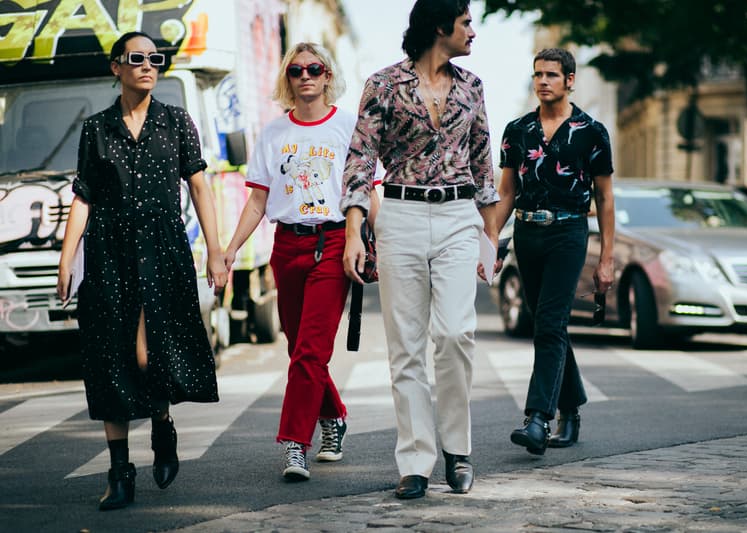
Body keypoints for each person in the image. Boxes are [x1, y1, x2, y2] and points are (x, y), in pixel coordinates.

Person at [56, 31, 228, 511]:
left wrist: (215, 251)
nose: (149, 65)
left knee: (149, 357)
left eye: (157, 58)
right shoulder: (96, 129)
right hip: (109, 252)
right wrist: (67, 259)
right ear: (117, 67)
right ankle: (119, 473)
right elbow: (84, 196)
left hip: (163, 250)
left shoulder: (176, 122)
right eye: (137, 58)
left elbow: (199, 188)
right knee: (111, 359)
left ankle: (161, 422)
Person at [341, 0, 498, 500]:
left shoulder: (472, 87)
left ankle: (458, 449)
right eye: (466, 22)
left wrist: (489, 238)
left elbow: (483, 165)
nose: (472, 31)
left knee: (455, 334)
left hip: (457, 216)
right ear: (439, 26)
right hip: (401, 217)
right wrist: (353, 231)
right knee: (405, 347)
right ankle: (414, 461)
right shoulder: (384, 85)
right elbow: (360, 158)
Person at [224, 42, 378, 481]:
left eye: (315, 68)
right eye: (296, 70)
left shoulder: (349, 127)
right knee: (299, 349)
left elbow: (369, 192)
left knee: (311, 350)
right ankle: (335, 415)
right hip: (286, 247)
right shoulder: (273, 133)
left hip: (333, 243)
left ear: (329, 76)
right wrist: (231, 248)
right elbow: (258, 200)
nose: (306, 75)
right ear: (287, 78)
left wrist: (375, 244)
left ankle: (296, 444)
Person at [495, 48, 615, 455]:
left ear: (570, 80)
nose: (543, 81)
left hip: (569, 232)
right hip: (528, 234)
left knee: (548, 323)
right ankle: (572, 409)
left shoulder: (591, 131)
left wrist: (607, 259)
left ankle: (537, 419)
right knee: (547, 325)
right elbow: (507, 191)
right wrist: (490, 239)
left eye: (551, 74)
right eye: (538, 75)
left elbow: (605, 196)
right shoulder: (517, 130)